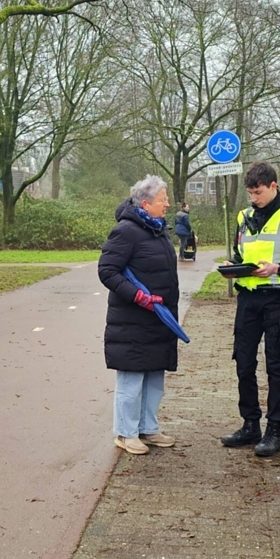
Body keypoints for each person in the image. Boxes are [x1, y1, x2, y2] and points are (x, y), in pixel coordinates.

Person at [219, 162, 280, 457]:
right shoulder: (244, 216)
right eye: (250, 193)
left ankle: (274, 429)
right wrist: (234, 264)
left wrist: (279, 267)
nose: (253, 198)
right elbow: (242, 252)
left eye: (258, 193)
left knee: (275, 365)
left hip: (277, 300)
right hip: (247, 298)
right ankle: (250, 424)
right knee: (243, 362)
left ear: (273, 186)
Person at [98, 175, 180, 455]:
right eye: (163, 200)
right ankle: (125, 432)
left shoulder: (157, 230)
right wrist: (138, 296)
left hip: (158, 320)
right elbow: (107, 271)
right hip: (133, 319)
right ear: (146, 204)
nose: (167, 204)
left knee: (154, 377)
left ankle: (148, 428)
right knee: (132, 379)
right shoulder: (127, 231)